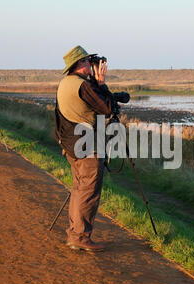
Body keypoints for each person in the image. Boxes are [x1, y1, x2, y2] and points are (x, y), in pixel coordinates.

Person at [55, 46, 114, 252]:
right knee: (88, 191)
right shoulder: (83, 86)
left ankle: (74, 233)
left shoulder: (65, 83)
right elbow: (106, 108)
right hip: (87, 146)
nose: (92, 64)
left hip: (72, 144)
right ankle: (80, 236)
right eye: (89, 61)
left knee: (79, 189)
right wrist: (101, 83)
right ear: (80, 64)